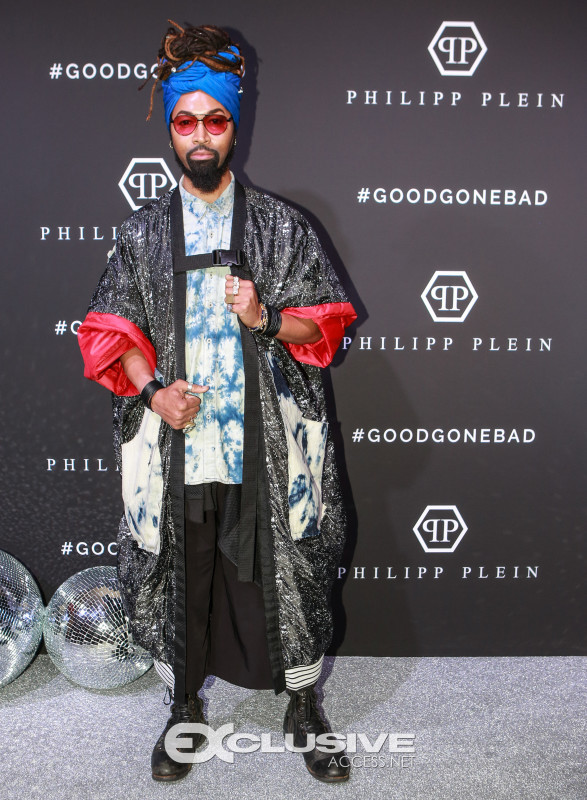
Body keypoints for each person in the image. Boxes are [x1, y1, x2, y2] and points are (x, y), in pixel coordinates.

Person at [78, 21, 356, 784]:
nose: (200, 136)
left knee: (292, 570)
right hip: (178, 444)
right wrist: (152, 392)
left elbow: (323, 327)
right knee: (176, 572)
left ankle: (303, 706)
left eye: (215, 120)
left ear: (235, 126)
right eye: (185, 121)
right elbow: (112, 330)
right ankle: (181, 708)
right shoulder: (141, 234)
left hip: (266, 443)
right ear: (169, 129)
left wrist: (264, 316)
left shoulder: (279, 226)